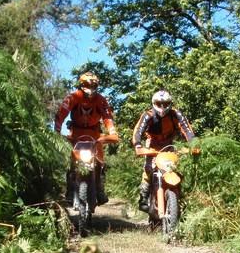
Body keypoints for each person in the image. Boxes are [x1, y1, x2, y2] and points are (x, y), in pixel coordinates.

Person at [54, 72, 118, 205]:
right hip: (76, 133)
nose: (90, 87)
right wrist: (57, 131)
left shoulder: (101, 100)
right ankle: (71, 191)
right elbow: (61, 113)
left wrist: (112, 132)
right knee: (72, 161)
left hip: (94, 134)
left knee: (100, 161)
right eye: (87, 85)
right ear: (82, 85)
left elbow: (107, 117)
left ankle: (100, 189)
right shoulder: (73, 97)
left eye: (93, 85)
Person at [132, 90, 195, 212]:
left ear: (170, 103)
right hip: (152, 145)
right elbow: (138, 131)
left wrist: (193, 144)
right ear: (153, 103)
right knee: (148, 168)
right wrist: (138, 145)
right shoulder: (148, 115)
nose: (162, 107)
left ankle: (179, 198)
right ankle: (144, 196)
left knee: (176, 169)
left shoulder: (176, 114)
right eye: (159, 104)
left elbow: (187, 130)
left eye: (165, 104)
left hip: (169, 145)